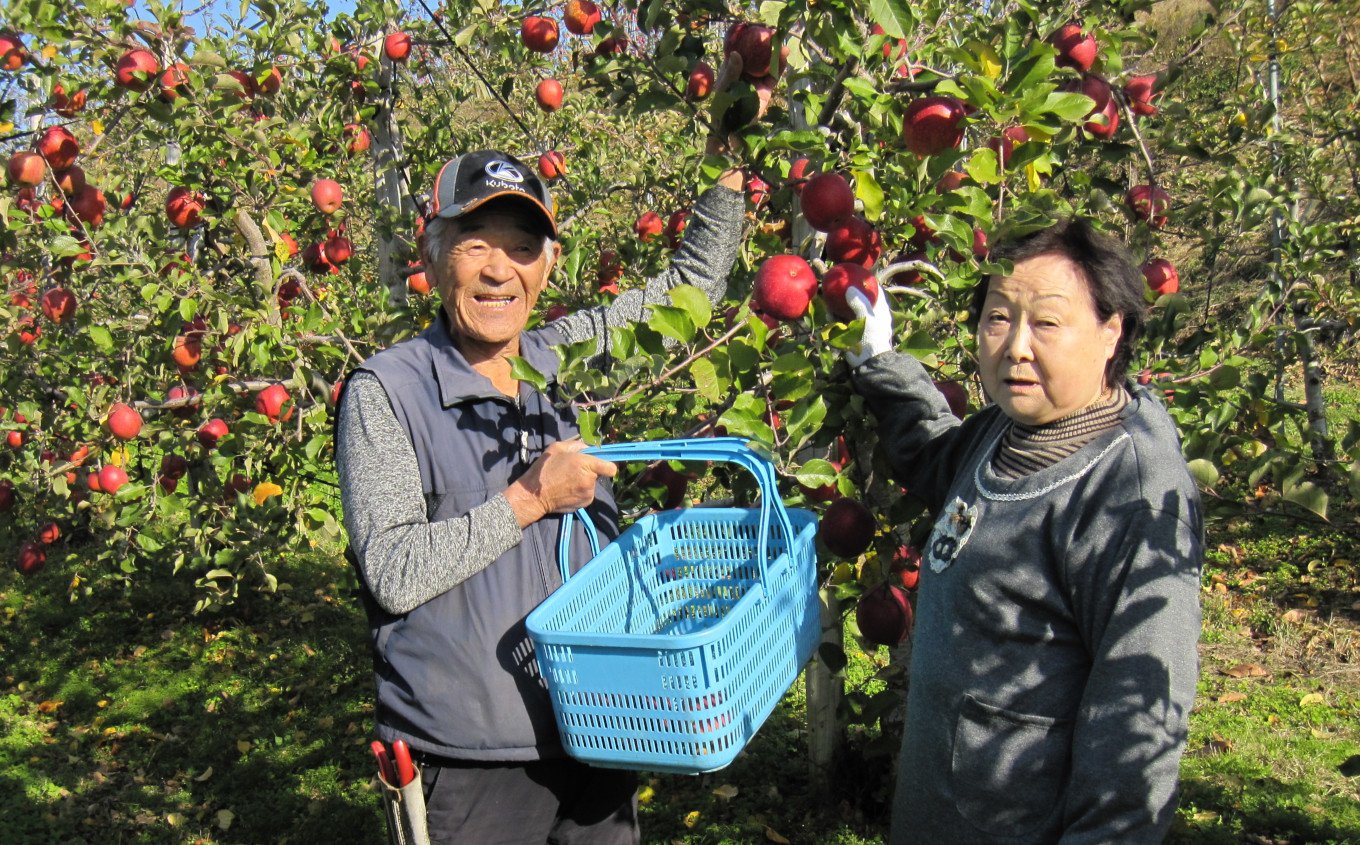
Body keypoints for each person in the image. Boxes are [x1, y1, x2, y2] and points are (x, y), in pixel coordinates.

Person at [336, 148, 745, 844]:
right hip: (469, 757)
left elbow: (687, 291)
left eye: (523, 248)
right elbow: (394, 571)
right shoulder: (387, 392)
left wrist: (729, 158)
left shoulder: (562, 360)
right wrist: (528, 500)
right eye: (475, 244)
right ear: (432, 257)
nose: (500, 270)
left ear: (549, 264)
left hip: (603, 725)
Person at [844, 218, 1203, 844]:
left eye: (1047, 323)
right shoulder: (1009, 431)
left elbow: (1136, 728)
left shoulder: (1130, 502)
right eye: (998, 318)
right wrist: (881, 364)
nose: (1016, 347)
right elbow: (937, 460)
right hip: (942, 811)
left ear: (1112, 331)